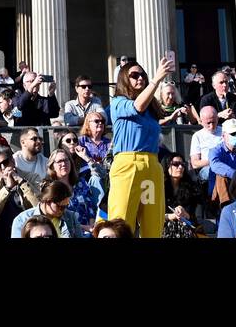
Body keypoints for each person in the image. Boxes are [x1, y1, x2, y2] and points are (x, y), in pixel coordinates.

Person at [107, 55, 174, 239]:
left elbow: (144, 106)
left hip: (151, 167)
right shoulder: (118, 103)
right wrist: (156, 79)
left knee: (153, 224)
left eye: (142, 75)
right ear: (123, 80)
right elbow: (137, 106)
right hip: (128, 165)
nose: (140, 78)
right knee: (121, 224)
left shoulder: (151, 109)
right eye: (135, 75)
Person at [0, 149, 38, 238]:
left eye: (6, 162)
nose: (3, 167)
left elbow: (38, 206)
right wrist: (7, 188)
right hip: (2, 225)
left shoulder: (31, 177)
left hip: (25, 224)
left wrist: (21, 182)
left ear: (13, 161)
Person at [47, 147, 103, 235]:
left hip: (90, 229)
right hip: (69, 232)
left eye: (66, 160)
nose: (64, 163)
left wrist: (92, 225)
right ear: (52, 166)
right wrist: (85, 228)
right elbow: (56, 218)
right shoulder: (51, 188)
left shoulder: (80, 182)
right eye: (59, 161)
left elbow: (89, 206)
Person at [10, 179, 82, 238]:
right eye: (60, 207)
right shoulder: (22, 220)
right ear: (47, 201)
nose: (63, 210)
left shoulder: (70, 217)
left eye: (66, 206)